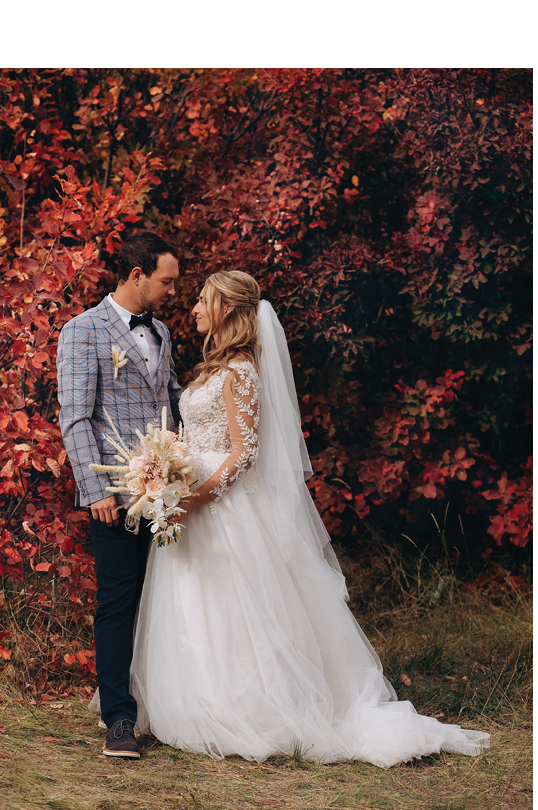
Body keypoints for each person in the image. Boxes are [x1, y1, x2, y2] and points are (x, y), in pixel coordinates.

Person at [130, 269, 490, 767]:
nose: (192, 308)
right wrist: (169, 472)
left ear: (228, 309)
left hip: (223, 507)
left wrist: (198, 497)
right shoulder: (212, 367)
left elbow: (245, 452)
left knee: (239, 607)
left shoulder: (240, 371)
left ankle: (249, 708)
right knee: (193, 602)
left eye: (203, 300)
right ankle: (195, 701)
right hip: (189, 502)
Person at [57, 231, 182, 759]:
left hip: (166, 490)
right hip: (113, 493)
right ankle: (119, 720)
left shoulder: (163, 332)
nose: (173, 290)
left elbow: (169, 399)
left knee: (162, 600)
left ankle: (166, 706)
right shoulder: (82, 330)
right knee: (117, 601)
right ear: (137, 275)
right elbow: (75, 416)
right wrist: (95, 491)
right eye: (166, 281)